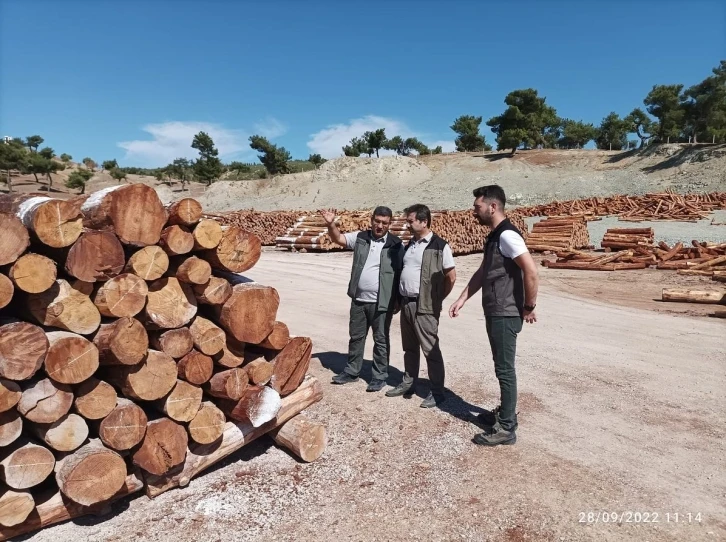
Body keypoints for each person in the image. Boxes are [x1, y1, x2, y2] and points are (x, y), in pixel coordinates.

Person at [448, 185, 539, 447]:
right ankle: (505, 414)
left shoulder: (508, 236)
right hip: (496, 310)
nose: (474, 211)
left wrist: (529, 306)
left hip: (505, 312)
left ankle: (507, 427)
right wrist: (463, 298)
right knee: (501, 366)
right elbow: (483, 272)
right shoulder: (495, 236)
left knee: (504, 369)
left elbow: (531, 272)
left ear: (493, 207)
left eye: (477, 207)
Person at [320, 207, 403, 392]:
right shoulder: (361, 237)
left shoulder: (396, 244)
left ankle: (380, 376)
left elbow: (400, 273)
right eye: (377, 221)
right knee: (356, 337)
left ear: (389, 224)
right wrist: (330, 224)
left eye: (384, 223)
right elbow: (338, 239)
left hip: (382, 302)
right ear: (371, 220)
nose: (380, 225)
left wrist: (398, 299)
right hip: (358, 299)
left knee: (381, 340)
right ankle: (351, 372)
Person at [385, 204, 457, 408]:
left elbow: (450, 277)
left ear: (424, 222)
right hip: (407, 303)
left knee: (430, 350)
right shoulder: (411, 245)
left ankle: (437, 392)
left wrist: (436, 298)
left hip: (425, 306)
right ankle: (409, 382)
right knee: (409, 348)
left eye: (410, 221)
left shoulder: (439, 246)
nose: (407, 224)